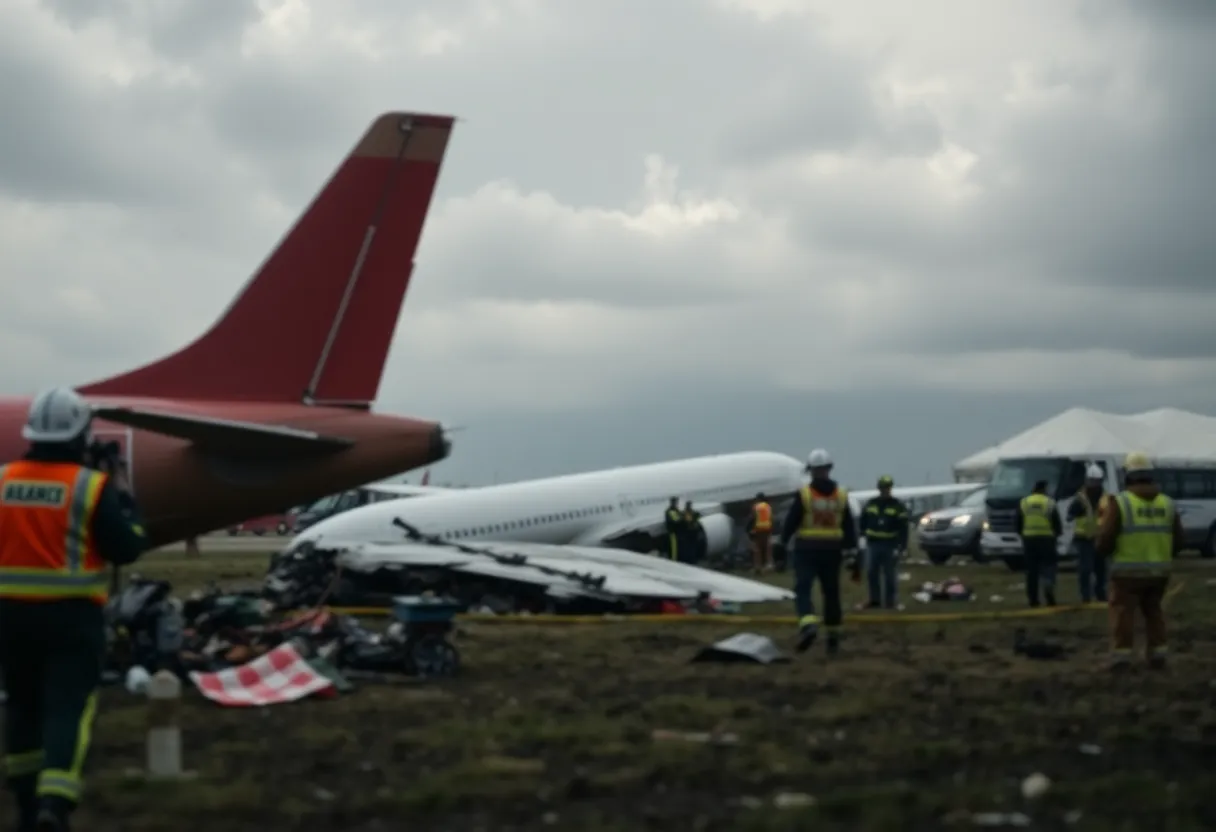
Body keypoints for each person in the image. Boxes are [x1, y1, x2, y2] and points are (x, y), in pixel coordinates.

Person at [0, 387, 147, 831]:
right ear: (80, 434)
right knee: (67, 706)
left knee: (22, 705)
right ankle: (55, 801)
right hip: (70, 618)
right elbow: (127, 548)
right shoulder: (90, 487)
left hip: (8, 616)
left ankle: (26, 804)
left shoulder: (3, 480)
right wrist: (123, 493)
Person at [1095, 452, 1184, 671]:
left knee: (1123, 614)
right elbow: (1180, 539)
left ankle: (1121, 658)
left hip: (1127, 573)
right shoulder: (1168, 503)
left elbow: (1106, 537)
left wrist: (1102, 552)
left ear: (1128, 476)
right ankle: (1158, 655)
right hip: (1159, 573)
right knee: (1154, 612)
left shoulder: (1121, 502)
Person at [779, 448, 859, 655]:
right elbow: (849, 526)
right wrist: (853, 552)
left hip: (807, 550)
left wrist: (782, 542)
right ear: (829, 469)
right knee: (831, 594)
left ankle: (808, 625)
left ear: (811, 471)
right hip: (832, 551)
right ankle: (832, 641)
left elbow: (791, 521)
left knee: (803, 589)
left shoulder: (804, 494)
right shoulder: (841, 495)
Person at [858, 475, 909, 609]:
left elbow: (903, 527)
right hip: (872, 544)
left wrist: (902, 546)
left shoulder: (898, 506)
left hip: (890, 544)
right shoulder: (871, 503)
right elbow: (863, 521)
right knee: (871, 573)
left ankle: (890, 602)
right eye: (883, 487)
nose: (885, 490)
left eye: (887, 487)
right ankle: (874, 600)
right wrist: (862, 537)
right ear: (879, 488)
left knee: (890, 575)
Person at [1067, 464, 1110, 603]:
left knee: (1101, 569)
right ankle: (1085, 595)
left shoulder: (1106, 498)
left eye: (1096, 481)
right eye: (1092, 481)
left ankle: (1100, 593)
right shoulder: (1080, 499)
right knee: (1085, 569)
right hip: (1084, 538)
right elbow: (1070, 514)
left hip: (1101, 538)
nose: (1094, 484)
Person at [1017, 479, 1062, 607]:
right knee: (1048, 566)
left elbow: (1018, 523)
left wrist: (1023, 534)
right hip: (1047, 540)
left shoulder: (1024, 502)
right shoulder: (1049, 503)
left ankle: (1033, 599)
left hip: (1029, 540)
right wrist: (1056, 535)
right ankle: (1048, 588)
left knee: (1031, 571)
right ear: (1044, 489)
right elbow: (1057, 523)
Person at [747, 493, 773, 573]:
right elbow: (770, 518)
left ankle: (758, 566)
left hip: (758, 529)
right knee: (767, 547)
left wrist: (749, 529)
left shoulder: (756, 507)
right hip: (767, 529)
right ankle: (769, 565)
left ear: (758, 499)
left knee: (757, 549)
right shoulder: (768, 507)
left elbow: (753, 518)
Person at [664, 497, 684, 561]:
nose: (676, 504)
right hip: (672, 532)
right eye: (675, 502)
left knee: (676, 547)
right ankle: (673, 560)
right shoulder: (670, 511)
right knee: (674, 548)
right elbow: (676, 519)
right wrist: (682, 517)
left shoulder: (675, 510)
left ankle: (676, 558)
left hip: (676, 532)